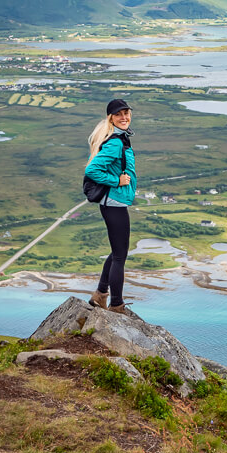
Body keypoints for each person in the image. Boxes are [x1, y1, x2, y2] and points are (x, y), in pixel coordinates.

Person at [85, 98, 136, 313]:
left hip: (114, 202)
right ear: (111, 118)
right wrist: (116, 181)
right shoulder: (115, 142)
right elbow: (92, 170)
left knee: (117, 252)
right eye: (119, 114)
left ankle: (99, 295)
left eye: (126, 113)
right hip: (113, 202)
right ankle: (116, 304)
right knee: (119, 256)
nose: (124, 117)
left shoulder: (119, 138)